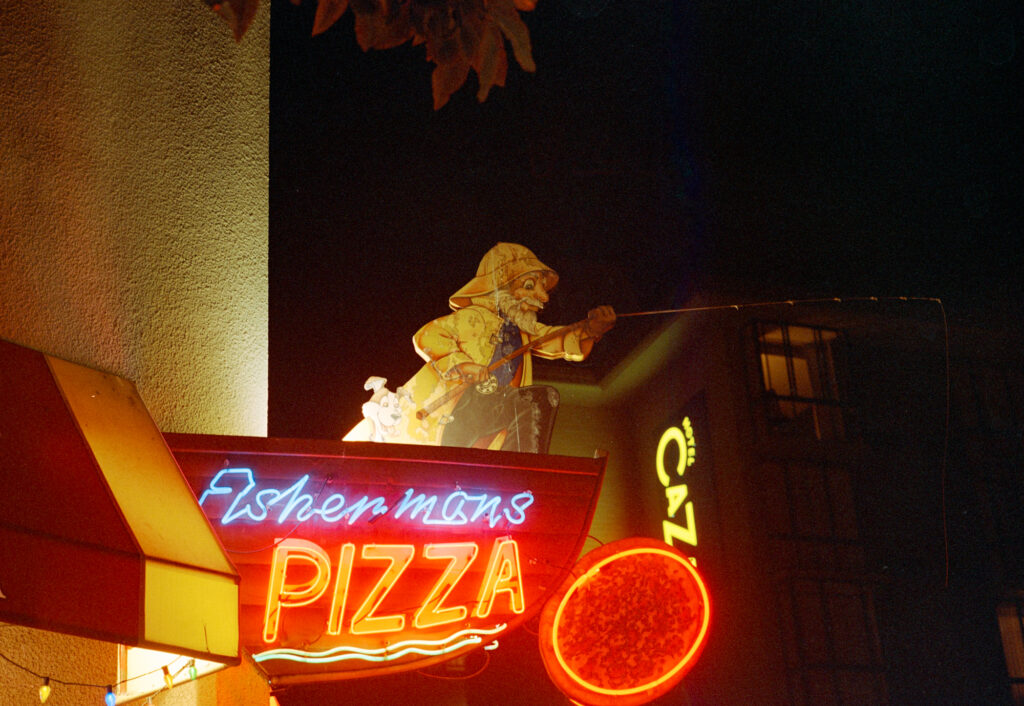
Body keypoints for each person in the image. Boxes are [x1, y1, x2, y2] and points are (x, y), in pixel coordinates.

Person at [408, 242, 615, 453]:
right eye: (529, 286)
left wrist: (590, 330)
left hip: (495, 410)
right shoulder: (473, 317)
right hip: (460, 410)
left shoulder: (523, 332)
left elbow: (555, 340)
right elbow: (428, 335)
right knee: (532, 402)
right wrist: (463, 365)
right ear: (500, 287)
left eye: (543, 288)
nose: (543, 297)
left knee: (537, 399)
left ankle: (517, 466)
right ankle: (519, 468)